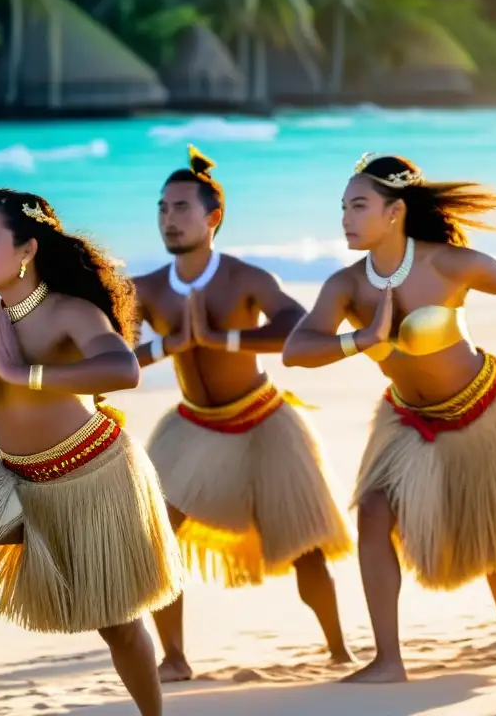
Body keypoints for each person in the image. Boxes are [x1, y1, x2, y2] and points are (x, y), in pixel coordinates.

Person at [0, 189, 183, 716]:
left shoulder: (68, 313)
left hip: (92, 476)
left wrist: (23, 375)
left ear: (27, 250)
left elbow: (122, 369)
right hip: (16, 479)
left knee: (120, 625)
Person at [282, 152, 496, 684]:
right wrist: (362, 338)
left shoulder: (448, 263)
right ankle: (388, 660)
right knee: (374, 514)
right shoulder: (346, 285)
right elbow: (298, 350)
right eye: (342, 207)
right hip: (407, 418)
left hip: (481, 407)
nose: (345, 218)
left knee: (489, 516)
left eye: (359, 206)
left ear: (395, 211)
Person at [134, 146, 354, 683]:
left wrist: (221, 338)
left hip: (263, 422)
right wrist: (171, 345)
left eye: (181, 208)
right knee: (159, 532)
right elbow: (112, 360)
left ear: (213, 219)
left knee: (305, 548)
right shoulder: (146, 289)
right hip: (193, 426)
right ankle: (175, 656)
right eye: (162, 208)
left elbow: (300, 328)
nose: (169, 218)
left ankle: (339, 649)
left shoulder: (243, 278)